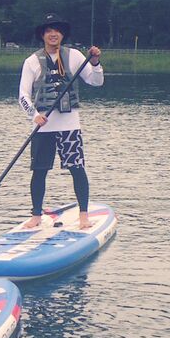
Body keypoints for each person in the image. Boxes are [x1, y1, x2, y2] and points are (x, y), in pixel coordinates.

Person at [18, 13, 103, 229]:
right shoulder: (31, 62)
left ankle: (84, 215)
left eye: (56, 30)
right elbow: (23, 96)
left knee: (77, 168)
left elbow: (96, 81)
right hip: (42, 126)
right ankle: (36, 215)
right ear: (43, 35)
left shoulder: (74, 56)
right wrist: (34, 115)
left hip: (69, 126)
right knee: (39, 171)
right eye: (48, 31)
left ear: (62, 34)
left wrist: (95, 62)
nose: (53, 34)